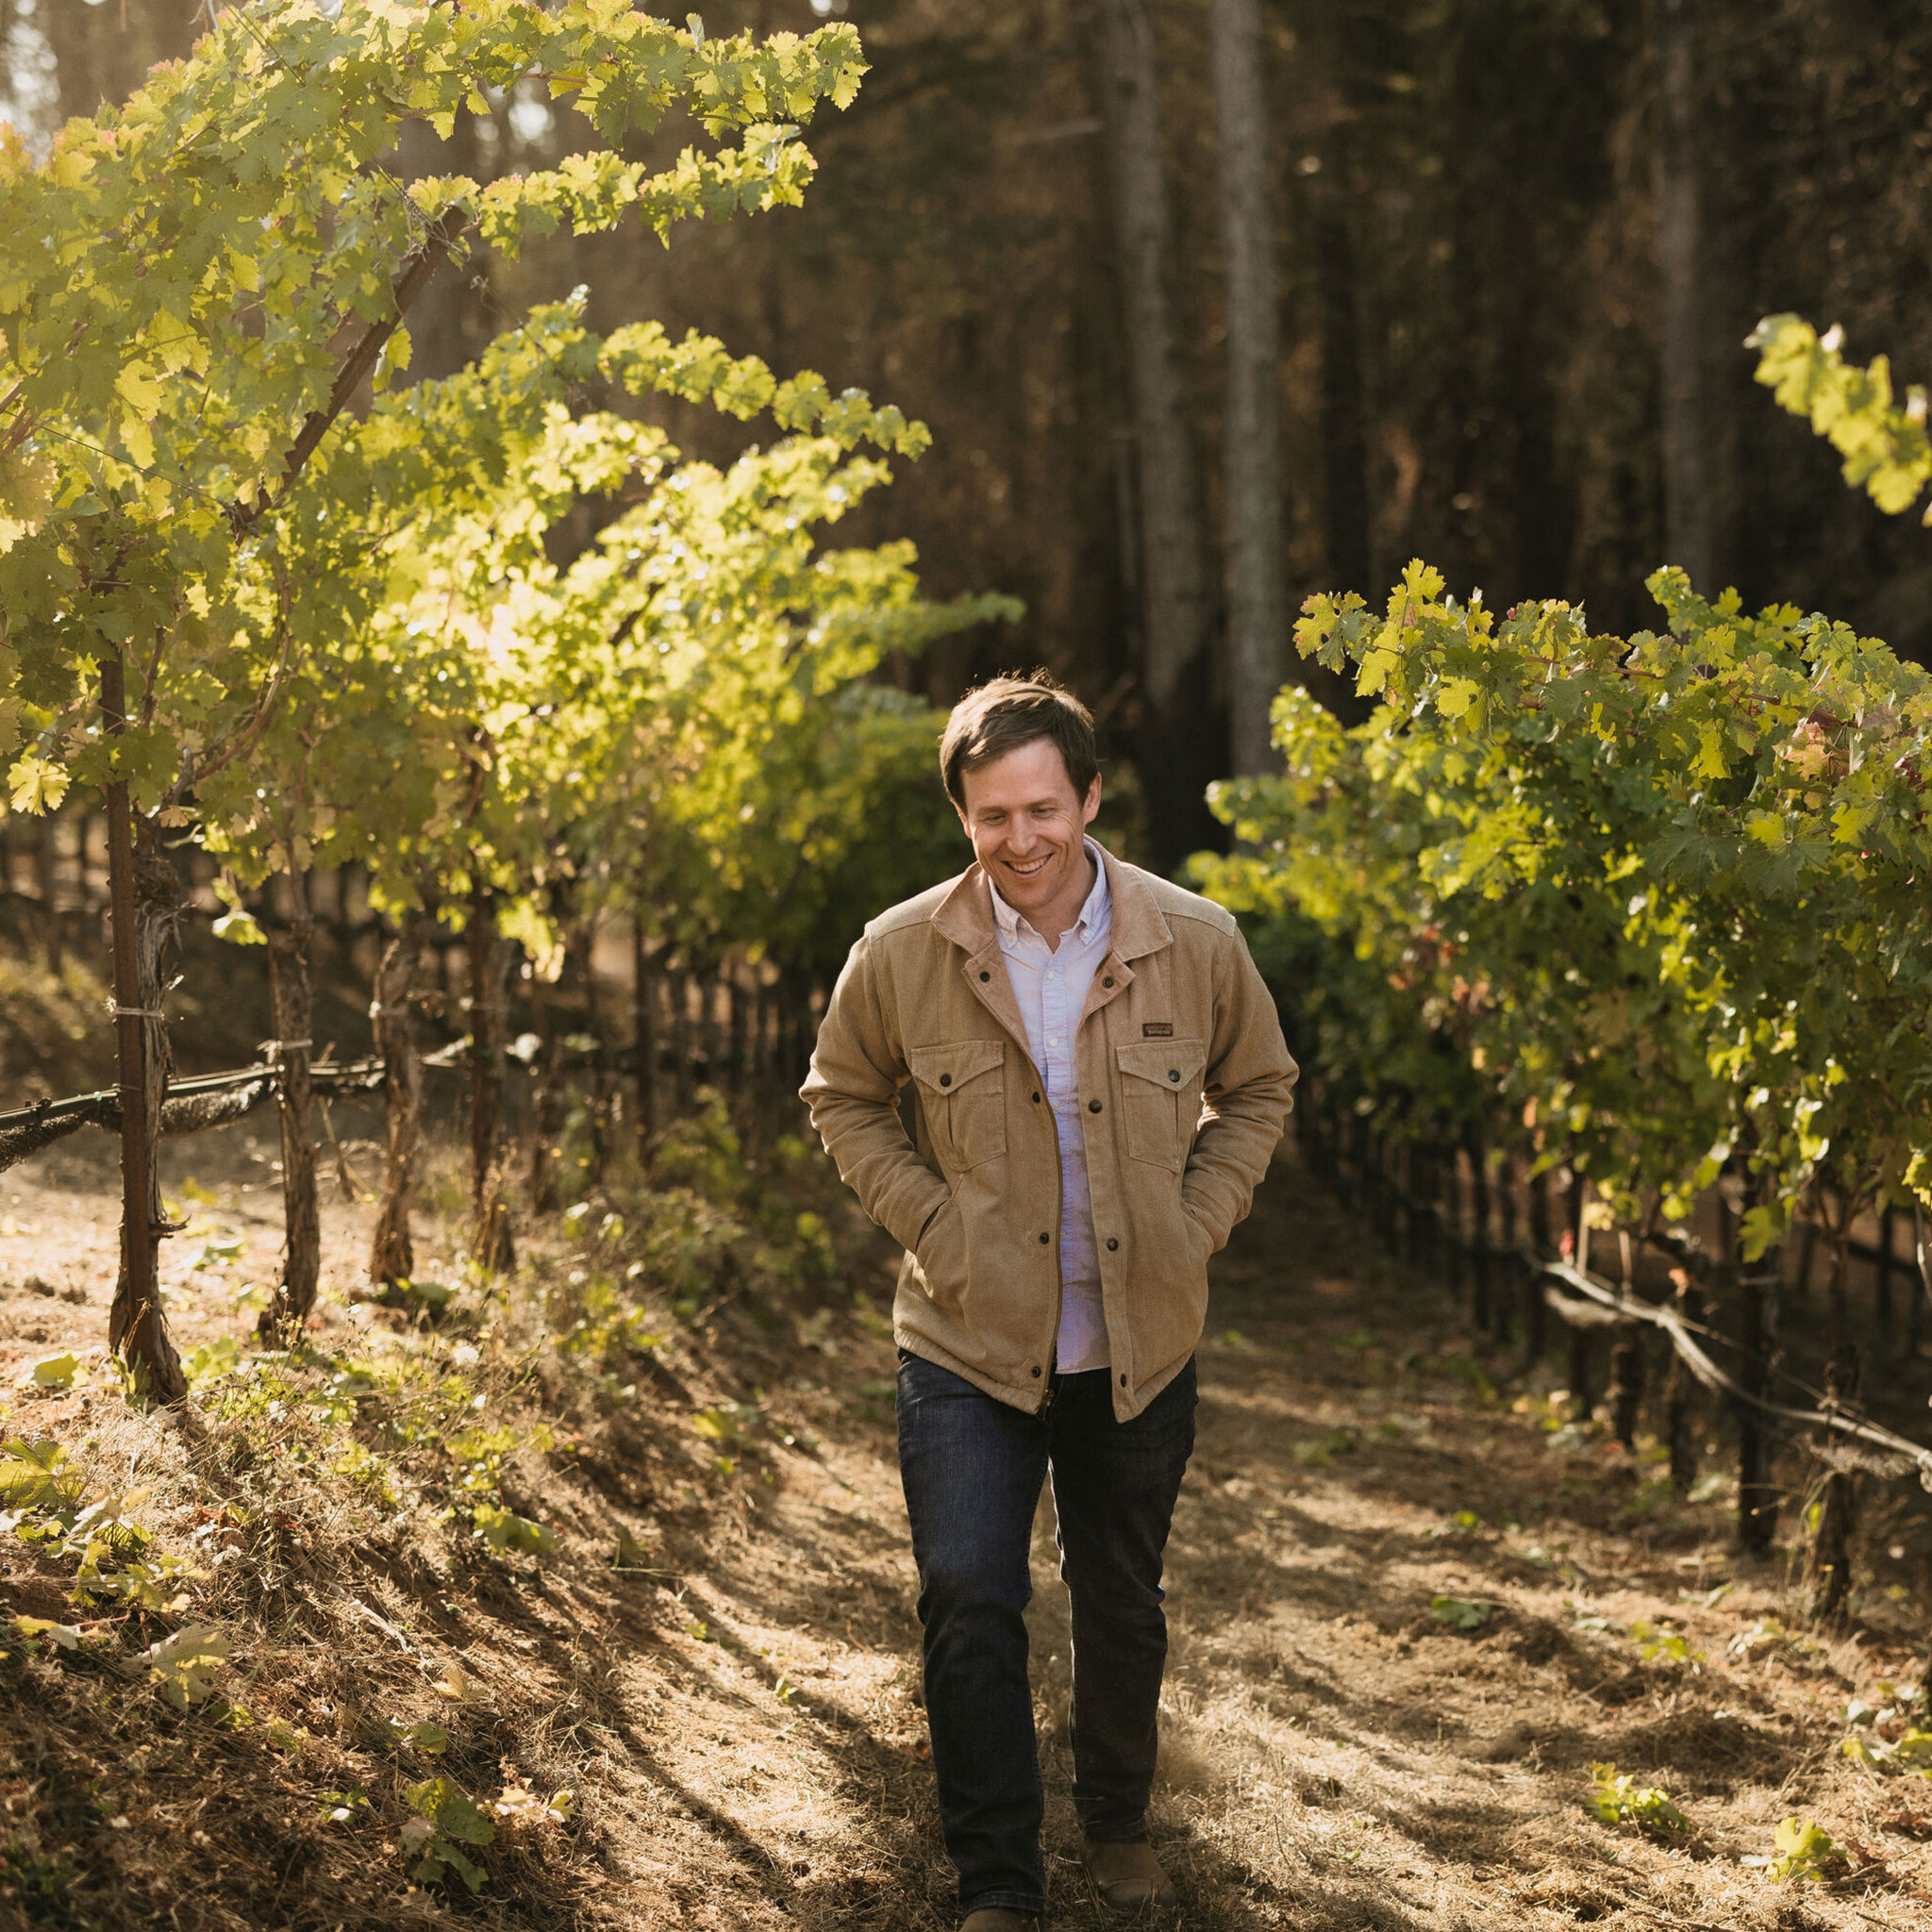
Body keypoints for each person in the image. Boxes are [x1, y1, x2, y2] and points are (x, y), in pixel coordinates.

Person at [801, 675, 1297, 1929]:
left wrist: (1196, 1226)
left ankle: (1118, 1823)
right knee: (971, 1594)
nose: (1019, 841)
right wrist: (929, 1220)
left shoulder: (1196, 939)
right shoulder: (903, 952)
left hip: (1139, 1339)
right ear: (962, 816)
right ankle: (999, 1881)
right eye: (990, 817)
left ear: (1087, 798)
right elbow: (843, 1096)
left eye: (1040, 809)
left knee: (1120, 1599)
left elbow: (1260, 1089)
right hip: (967, 1341)